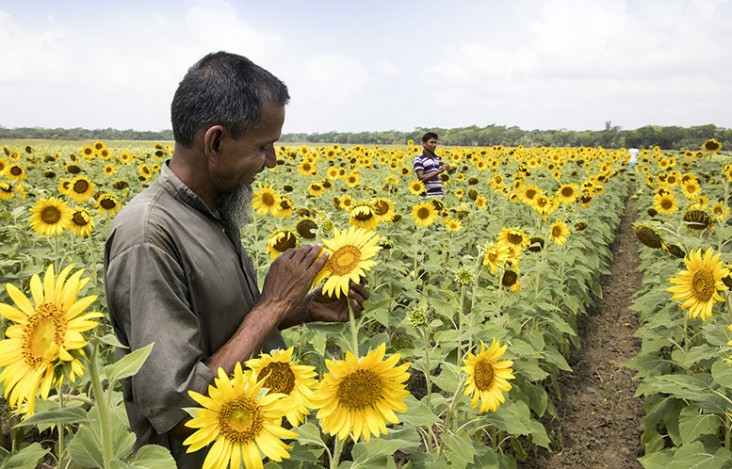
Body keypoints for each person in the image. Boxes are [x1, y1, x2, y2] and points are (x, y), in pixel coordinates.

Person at [104, 51, 369, 468]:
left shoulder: (212, 211)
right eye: (263, 147)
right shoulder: (149, 235)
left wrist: (299, 310)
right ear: (215, 142)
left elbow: (219, 331)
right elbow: (177, 409)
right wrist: (271, 307)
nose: (272, 162)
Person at [413, 131, 450, 197]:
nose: (434, 145)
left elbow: (438, 177)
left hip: (440, 195)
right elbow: (421, 179)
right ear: (424, 143)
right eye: (431, 142)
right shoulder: (419, 159)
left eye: (435, 142)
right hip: (427, 197)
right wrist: (439, 171)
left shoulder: (437, 158)